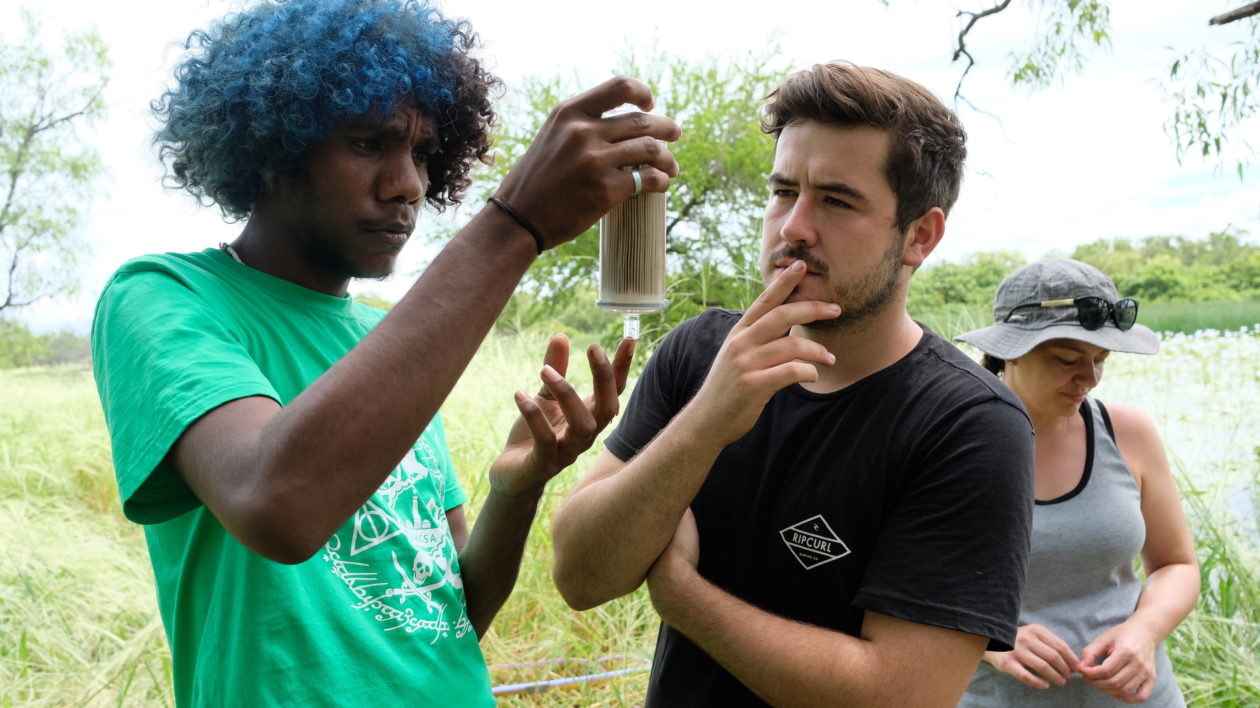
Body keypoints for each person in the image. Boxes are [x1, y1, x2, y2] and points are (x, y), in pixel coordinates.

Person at [89, 0, 680, 705]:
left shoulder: (384, 340)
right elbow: (275, 503)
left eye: (424, 154)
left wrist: (515, 490)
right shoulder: (163, 298)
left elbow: (446, 615)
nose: (408, 185)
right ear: (275, 143)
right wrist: (514, 225)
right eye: (370, 143)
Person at [549, 62, 1036, 707]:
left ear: (919, 235)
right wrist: (705, 422)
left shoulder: (969, 424)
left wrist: (681, 593)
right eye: (783, 191)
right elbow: (581, 576)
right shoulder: (698, 353)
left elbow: (899, 696)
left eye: (836, 200)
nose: (792, 228)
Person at [955, 258, 1199, 707]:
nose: (1089, 379)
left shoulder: (1127, 432)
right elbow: (890, 588)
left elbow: (1176, 565)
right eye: (1067, 360)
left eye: (1100, 360)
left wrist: (1143, 632)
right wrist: (989, 640)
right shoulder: (948, 443)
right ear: (1010, 349)